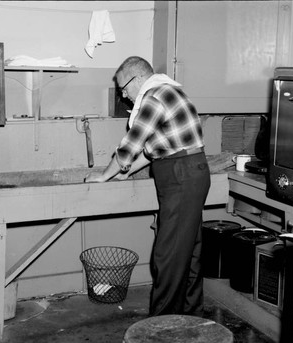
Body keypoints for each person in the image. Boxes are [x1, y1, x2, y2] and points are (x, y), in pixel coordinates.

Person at [85, 56, 211, 317]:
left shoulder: (154, 97)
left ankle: (161, 328)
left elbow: (131, 145)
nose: (124, 95)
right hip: (188, 171)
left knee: (168, 257)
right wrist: (123, 172)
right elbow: (153, 150)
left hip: (180, 175)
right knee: (188, 255)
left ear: (138, 78)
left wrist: (104, 176)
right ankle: (189, 320)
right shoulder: (168, 91)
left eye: (124, 87)